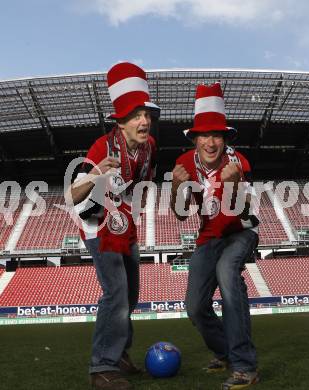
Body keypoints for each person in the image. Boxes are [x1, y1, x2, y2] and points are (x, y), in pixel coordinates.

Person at [66, 62, 159, 390]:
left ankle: (119, 355)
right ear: (120, 121)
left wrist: (136, 206)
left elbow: (142, 185)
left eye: (146, 114)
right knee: (116, 291)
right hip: (96, 221)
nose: (144, 120)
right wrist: (94, 174)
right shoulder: (101, 147)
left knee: (131, 293)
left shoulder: (149, 148)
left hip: (124, 221)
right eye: (136, 115)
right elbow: (72, 195)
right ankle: (102, 367)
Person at [170, 82, 260, 389]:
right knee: (194, 306)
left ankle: (245, 365)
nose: (211, 142)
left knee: (227, 275)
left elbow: (245, 211)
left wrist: (235, 186)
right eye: (204, 135)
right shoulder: (182, 164)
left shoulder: (238, 163)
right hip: (208, 236)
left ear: (224, 138)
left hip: (240, 232)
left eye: (217, 135)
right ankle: (224, 351)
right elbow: (181, 213)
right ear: (194, 138)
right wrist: (174, 187)